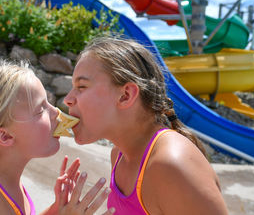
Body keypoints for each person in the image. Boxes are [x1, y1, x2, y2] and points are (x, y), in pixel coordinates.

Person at [64, 36, 228, 215]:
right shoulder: (119, 155)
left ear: (125, 95)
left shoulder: (172, 166)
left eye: (81, 86)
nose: (68, 99)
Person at [0, 59, 115, 215]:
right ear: (5, 136)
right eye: (41, 109)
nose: (56, 112)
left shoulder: (3, 181)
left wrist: (56, 209)